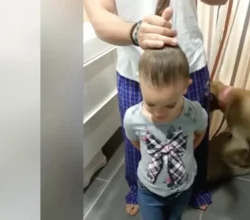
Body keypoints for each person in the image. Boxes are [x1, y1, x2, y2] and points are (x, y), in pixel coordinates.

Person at [84, 0, 229, 215]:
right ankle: (138, 188)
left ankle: (195, 187)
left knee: (195, 131)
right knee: (137, 134)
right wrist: (135, 32)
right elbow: (98, 14)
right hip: (136, 70)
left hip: (189, 63)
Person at [123, 46, 207, 220]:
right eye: (151, 104)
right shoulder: (133, 118)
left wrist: (184, 150)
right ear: (140, 83)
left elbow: (200, 133)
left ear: (185, 86)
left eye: (169, 105)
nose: (159, 113)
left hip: (183, 187)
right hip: (149, 190)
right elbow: (135, 142)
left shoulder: (194, 113)